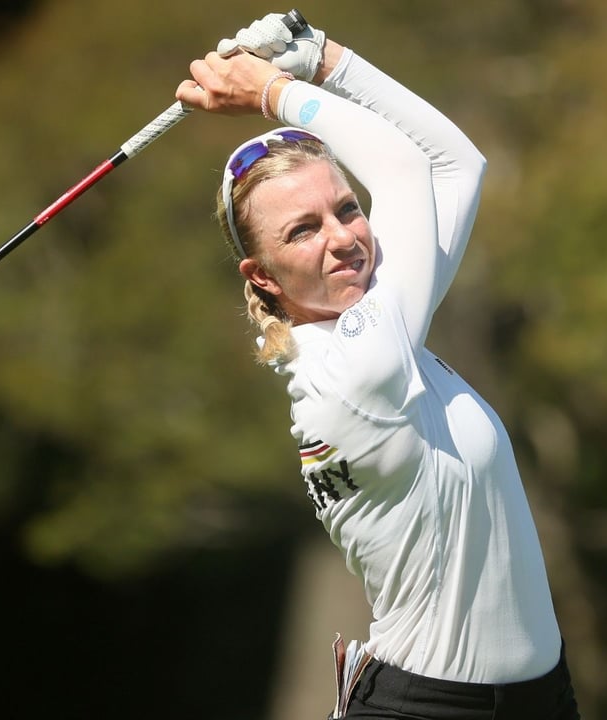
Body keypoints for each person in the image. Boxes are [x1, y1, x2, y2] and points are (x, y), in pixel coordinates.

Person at [176, 13, 580, 720]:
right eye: (302, 230)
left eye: (345, 209)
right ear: (262, 276)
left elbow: (457, 166)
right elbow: (403, 166)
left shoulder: (383, 321)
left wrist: (323, 57)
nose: (343, 239)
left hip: (541, 702)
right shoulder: (352, 371)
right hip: (427, 710)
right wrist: (273, 88)